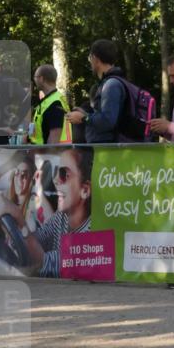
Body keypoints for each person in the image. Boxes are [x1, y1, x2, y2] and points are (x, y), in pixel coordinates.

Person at [22, 147, 93, 278]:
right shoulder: (62, 217)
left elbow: (45, 263)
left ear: (85, 190)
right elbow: (39, 238)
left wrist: (18, 221)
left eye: (64, 174)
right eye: (56, 173)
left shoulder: (93, 230)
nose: (55, 180)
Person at [66, 40, 128, 144]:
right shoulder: (110, 82)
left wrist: (83, 118)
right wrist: (85, 114)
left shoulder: (111, 85)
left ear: (95, 58)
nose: (90, 62)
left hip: (109, 151)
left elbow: (108, 121)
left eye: (90, 58)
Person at [29, 65, 72, 145]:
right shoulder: (52, 99)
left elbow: (54, 139)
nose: (34, 80)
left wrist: (47, 156)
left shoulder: (54, 103)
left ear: (41, 79)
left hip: (49, 155)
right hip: (47, 153)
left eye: (35, 77)